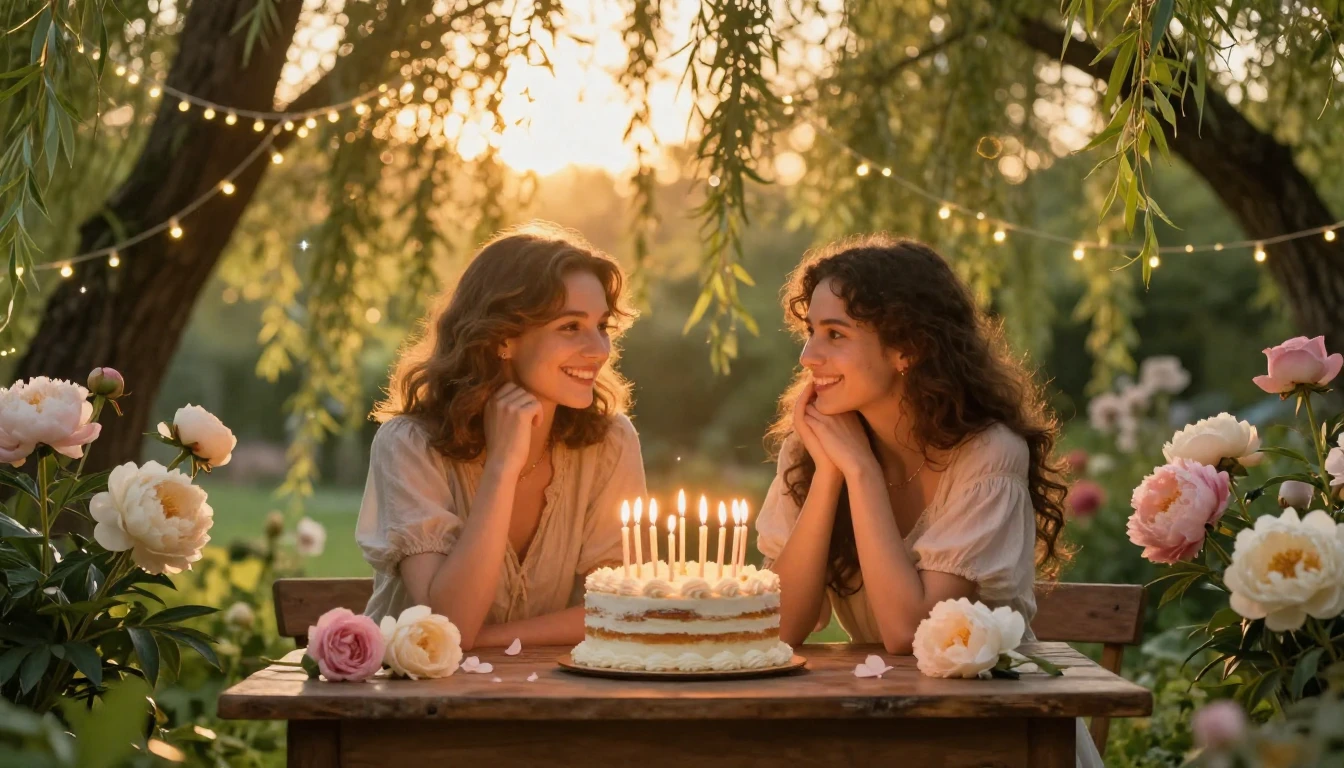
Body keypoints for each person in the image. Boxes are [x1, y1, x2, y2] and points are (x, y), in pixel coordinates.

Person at [755, 234, 1098, 765]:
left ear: (906, 349)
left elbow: (908, 632)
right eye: (809, 332)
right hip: (890, 729)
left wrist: (861, 473)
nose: (808, 355)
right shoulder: (817, 450)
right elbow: (782, 627)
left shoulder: (988, 455)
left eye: (835, 334)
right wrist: (828, 473)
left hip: (1003, 733)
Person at [356, 221, 647, 650]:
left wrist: (487, 638)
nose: (599, 349)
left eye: (601, 326)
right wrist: (501, 469)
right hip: (417, 705)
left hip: (549, 702)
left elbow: (621, 609)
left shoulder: (609, 442)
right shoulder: (409, 444)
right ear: (503, 338)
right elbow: (448, 622)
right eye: (570, 326)